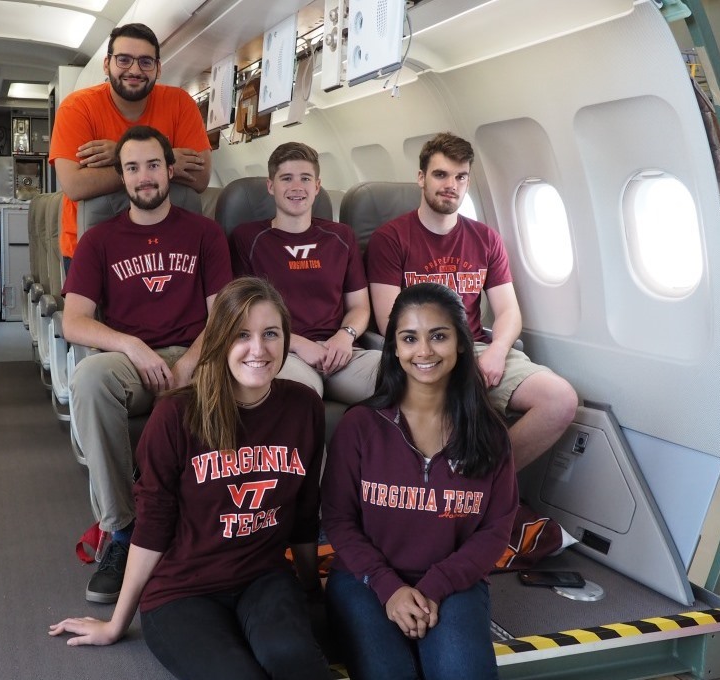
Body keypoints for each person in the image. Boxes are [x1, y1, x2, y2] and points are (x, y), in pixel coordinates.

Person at [50, 277, 332, 680]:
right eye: (241, 335)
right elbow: (152, 528)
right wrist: (116, 623)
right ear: (218, 341)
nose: (259, 349)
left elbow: (305, 512)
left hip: (263, 577)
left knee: (294, 661)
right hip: (182, 591)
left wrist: (311, 591)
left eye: (271, 334)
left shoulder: (304, 406)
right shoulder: (176, 416)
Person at [61, 125, 231, 604]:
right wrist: (133, 347)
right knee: (89, 378)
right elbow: (75, 322)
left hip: (196, 353)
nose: (144, 176)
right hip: (130, 359)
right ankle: (122, 534)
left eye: (153, 165)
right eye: (132, 168)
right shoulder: (98, 240)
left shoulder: (205, 233)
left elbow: (223, 316)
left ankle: (213, 532)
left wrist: (187, 367)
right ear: (122, 178)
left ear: (170, 170)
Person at [322, 282, 518, 680]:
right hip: (364, 581)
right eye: (410, 338)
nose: (424, 351)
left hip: (453, 583)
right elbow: (339, 520)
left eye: (439, 336)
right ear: (394, 347)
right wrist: (388, 587)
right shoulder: (360, 425)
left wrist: (435, 587)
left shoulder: (490, 434)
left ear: (462, 344)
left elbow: (495, 530)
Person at [367, 132, 578, 469]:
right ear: (421, 178)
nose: (451, 184)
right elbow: (388, 320)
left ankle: (485, 481)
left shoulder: (485, 239)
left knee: (560, 400)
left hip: (475, 348)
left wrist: (496, 352)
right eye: (440, 174)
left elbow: (508, 311)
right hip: (422, 350)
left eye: (460, 176)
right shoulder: (390, 239)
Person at [49, 22, 212, 269]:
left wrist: (117, 154)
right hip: (90, 247)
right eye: (124, 60)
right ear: (107, 64)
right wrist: (162, 162)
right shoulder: (77, 108)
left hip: (169, 246)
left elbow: (199, 178)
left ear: (158, 68)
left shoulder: (180, 104)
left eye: (146, 62)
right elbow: (75, 185)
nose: (134, 70)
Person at [230, 142, 382, 404]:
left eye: (305, 178)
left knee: (405, 376)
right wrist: (300, 344)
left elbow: (360, 307)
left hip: (341, 352)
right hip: (282, 351)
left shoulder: (341, 237)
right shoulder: (249, 238)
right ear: (271, 186)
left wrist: (345, 337)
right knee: (300, 399)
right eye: (286, 178)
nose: (297, 187)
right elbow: (242, 311)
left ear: (317, 185)